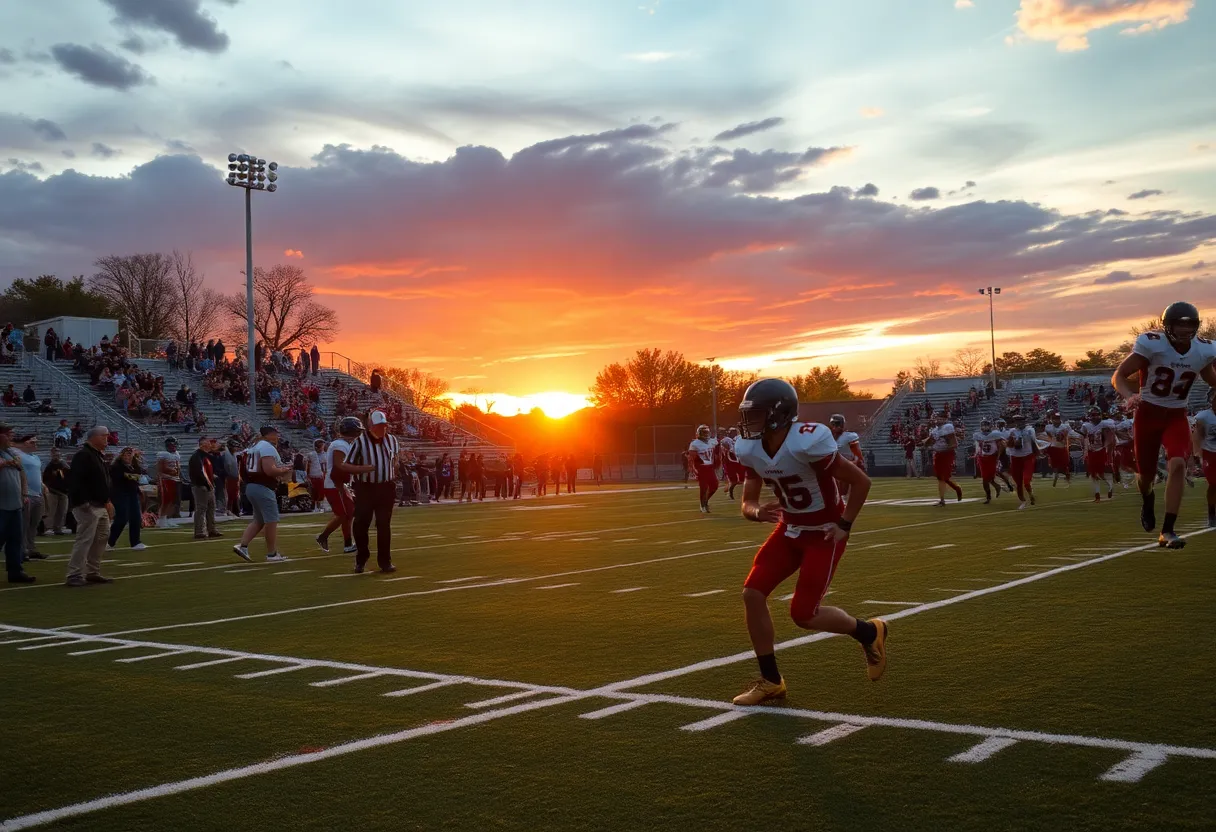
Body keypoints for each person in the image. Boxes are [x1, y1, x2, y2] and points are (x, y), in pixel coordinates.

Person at [730, 379, 885, 706]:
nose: (749, 423)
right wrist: (755, 511)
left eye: (756, 415)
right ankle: (771, 681)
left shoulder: (806, 441)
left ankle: (868, 632)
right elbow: (747, 503)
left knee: (803, 614)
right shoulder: (750, 448)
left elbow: (861, 481)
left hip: (824, 532)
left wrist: (845, 525)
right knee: (752, 593)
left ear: (778, 415)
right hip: (789, 529)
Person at [1111, 302, 1216, 548]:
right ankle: (1147, 498)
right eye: (1179, 324)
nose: (1184, 329)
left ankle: (1168, 530)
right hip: (1147, 414)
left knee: (1178, 464)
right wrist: (1129, 396)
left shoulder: (1203, 350)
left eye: (1189, 324)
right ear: (1168, 325)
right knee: (1145, 477)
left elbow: (1211, 379)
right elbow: (1118, 375)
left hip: (1176, 415)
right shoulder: (1151, 344)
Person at [343, 410, 399, 574]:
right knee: (361, 524)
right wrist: (364, 469)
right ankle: (361, 558)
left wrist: (391, 470)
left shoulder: (392, 440)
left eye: (384, 426)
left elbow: (394, 459)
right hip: (365, 487)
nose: (382, 429)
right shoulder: (360, 442)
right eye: (379, 426)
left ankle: (385, 562)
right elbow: (347, 465)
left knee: (383, 525)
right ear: (370, 426)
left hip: (386, 487)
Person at [233, 426, 293, 563]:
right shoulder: (266, 447)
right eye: (276, 434)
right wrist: (284, 469)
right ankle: (272, 553)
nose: (278, 437)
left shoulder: (254, 447)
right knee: (271, 521)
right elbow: (269, 470)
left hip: (252, 486)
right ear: (270, 434)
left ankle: (243, 546)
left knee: (259, 521)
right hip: (263, 486)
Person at [65, 426, 114, 586]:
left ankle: (93, 571)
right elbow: (76, 481)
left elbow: (101, 481)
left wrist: (107, 500)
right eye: (105, 436)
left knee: (101, 538)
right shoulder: (84, 455)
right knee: (85, 539)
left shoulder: (96, 455)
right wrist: (82, 502)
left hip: (100, 504)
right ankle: (74, 574)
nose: (107, 440)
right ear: (95, 437)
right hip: (88, 505)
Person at [317, 417, 362, 554]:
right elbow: (339, 466)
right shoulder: (340, 445)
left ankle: (348, 544)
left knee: (349, 514)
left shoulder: (345, 444)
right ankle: (323, 537)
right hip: (335, 484)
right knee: (343, 514)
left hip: (341, 484)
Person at [0, 425, 34, 584]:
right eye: (7, 434)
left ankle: (15, 571)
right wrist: (8, 463)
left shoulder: (9, 452)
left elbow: (19, 467)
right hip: (1, 505)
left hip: (15, 504)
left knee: (15, 539)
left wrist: (24, 494)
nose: (11, 438)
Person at [14, 434, 47, 562]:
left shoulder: (36, 457)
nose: (34, 444)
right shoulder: (19, 455)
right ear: (24, 443)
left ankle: (31, 548)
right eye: (31, 442)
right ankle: (22, 551)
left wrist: (42, 485)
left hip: (37, 493)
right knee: (24, 524)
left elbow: (37, 474)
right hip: (27, 494)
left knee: (34, 524)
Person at [107, 447, 147, 550]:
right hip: (120, 494)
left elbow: (137, 477)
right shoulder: (116, 466)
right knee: (122, 518)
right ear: (121, 455)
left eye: (130, 454)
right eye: (125, 454)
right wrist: (131, 476)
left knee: (136, 517)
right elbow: (120, 478)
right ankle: (110, 541)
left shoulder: (135, 466)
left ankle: (135, 542)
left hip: (132, 493)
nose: (127, 456)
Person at [923, 413, 963, 506]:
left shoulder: (948, 427)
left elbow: (954, 444)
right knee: (941, 477)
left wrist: (942, 448)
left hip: (947, 454)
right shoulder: (934, 430)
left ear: (945, 419)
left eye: (941, 418)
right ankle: (955, 489)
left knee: (943, 477)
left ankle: (942, 500)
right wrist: (925, 443)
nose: (939, 420)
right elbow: (929, 442)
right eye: (938, 418)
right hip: (938, 454)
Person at [1078, 406, 1117, 502]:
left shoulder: (1105, 424)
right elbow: (1082, 438)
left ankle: (1110, 487)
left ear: (1100, 415)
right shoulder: (1085, 426)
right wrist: (1084, 449)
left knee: (1101, 474)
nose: (1094, 417)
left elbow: (1112, 433)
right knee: (1094, 475)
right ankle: (1097, 495)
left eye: (1096, 415)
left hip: (1101, 450)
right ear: (1089, 416)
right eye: (1092, 415)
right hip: (1091, 452)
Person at [189, 436, 221, 540]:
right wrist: (205, 483)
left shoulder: (206, 456)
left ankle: (211, 529)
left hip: (209, 486)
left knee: (211, 508)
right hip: (201, 486)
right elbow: (199, 472)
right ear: (202, 444)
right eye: (208, 443)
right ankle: (199, 531)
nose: (210, 444)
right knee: (201, 509)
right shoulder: (197, 456)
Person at [1005, 412, 1039, 510]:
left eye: (1020, 420)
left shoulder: (1029, 430)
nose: (1019, 423)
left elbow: (1034, 441)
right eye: (1017, 421)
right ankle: (1023, 501)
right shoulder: (1011, 431)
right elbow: (1008, 445)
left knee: (1026, 480)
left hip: (1027, 457)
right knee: (1018, 483)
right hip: (1015, 458)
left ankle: (1030, 493)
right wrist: (1013, 442)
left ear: (1024, 421)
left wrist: (1037, 453)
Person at [1192, 390, 1216, 527]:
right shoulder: (1204, 417)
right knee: (1213, 483)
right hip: (1210, 453)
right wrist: (1197, 454)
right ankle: (1211, 512)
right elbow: (1197, 436)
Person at [973, 419, 1005, 504]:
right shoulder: (978, 435)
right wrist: (976, 454)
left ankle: (997, 487)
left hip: (992, 458)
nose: (984, 427)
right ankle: (988, 497)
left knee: (990, 478)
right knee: (985, 479)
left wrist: (997, 456)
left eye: (986, 425)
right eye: (983, 425)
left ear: (990, 426)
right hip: (983, 458)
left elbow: (1000, 446)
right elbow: (979, 446)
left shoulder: (995, 434)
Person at [687, 424, 719, 513]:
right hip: (701, 468)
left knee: (714, 486)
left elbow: (718, 445)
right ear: (699, 433)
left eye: (707, 432)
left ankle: (705, 501)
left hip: (710, 467)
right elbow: (692, 458)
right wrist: (694, 469)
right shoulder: (694, 444)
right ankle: (702, 505)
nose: (706, 434)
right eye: (704, 433)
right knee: (704, 487)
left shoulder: (712, 441)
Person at [42, 446, 70, 535]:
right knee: (51, 510)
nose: (56, 454)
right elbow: (45, 478)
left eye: (57, 452)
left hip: (64, 491)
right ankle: (49, 527)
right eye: (54, 453)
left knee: (62, 511)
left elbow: (68, 475)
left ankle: (58, 527)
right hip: (52, 490)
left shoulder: (64, 465)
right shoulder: (49, 465)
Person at [1042, 412, 1073, 487]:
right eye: (1054, 419)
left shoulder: (1065, 426)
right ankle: (1056, 474)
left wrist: (1066, 440)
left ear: (1060, 419)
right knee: (1054, 464)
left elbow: (1070, 436)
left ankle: (1064, 474)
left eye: (1057, 418)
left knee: (1064, 464)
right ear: (1051, 419)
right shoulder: (1048, 427)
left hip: (1062, 447)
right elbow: (1047, 437)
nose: (1055, 420)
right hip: (1053, 447)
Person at [156, 437, 182, 520]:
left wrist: (178, 473)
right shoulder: (163, 455)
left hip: (175, 479)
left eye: (175, 445)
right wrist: (171, 470)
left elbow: (178, 467)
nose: (174, 447)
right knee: (167, 500)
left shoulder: (176, 454)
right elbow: (160, 468)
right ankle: (165, 517)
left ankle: (174, 515)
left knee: (176, 499)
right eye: (172, 445)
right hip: (166, 480)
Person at [1111, 407, 1135, 490]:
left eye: (1121, 413)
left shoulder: (1127, 422)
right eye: (1118, 413)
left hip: (1128, 444)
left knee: (1127, 462)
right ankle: (1118, 476)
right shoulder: (1112, 423)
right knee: (1118, 462)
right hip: (1119, 445)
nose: (1120, 414)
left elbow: (1130, 434)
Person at [306, 439, 326, 511]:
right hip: (313, 475)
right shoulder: (311, 455)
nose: (322, 448)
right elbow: (307, 466)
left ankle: (320, 505)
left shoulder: (325, 455)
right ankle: (313, 506)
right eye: (321, 446)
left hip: (321, 475)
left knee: (321, 491)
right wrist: (307, 475)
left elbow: (325, 466)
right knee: (313, 491)